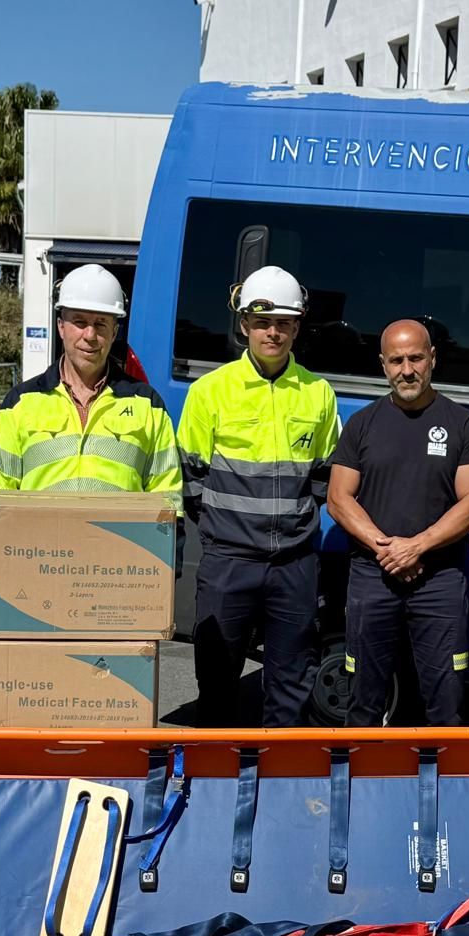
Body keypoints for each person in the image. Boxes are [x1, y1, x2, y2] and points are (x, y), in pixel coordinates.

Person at [176, 266, 339, 727]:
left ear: (297, 326)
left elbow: (325, 478)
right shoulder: (210, 392)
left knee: (292, 682)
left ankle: (281, 783)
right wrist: (229, 531)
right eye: (263, 321)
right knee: (217, 678)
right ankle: (215, 783)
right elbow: (190, 479)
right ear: (244, 323)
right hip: (229, 561)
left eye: (284, 322)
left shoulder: (317, 394)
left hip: (295, 564)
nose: (274, 332)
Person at [327, 320, 469, 725]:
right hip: (372, 575)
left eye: (416, 358)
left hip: (439, 579)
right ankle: (358, 784)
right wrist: (387, 548)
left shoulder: (461, 424)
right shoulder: (362, 424)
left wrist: (417, 546)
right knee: (363, 697)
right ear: (383, 364)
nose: (407, 369)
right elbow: (338, 498)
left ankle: (438, 786)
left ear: (432, 358)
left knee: (445, 699)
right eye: (396, 360)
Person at [0, 264, 180, 496]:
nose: (89, 336)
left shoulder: (148, 404)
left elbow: (167, 500)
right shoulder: (19, 403)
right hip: (41, 534)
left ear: (114, 333)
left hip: (120, 535)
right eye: (79, 322)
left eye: (100, 324)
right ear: (61, 327)